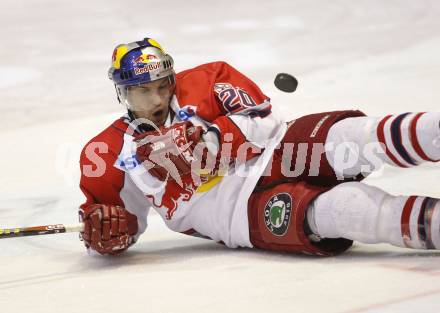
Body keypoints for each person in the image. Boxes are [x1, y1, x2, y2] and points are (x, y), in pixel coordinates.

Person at [78, 37, 440, 256]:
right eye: (143, 91)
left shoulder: (208, 80)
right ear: (122, 92)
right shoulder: (108, 152)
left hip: (281, 149)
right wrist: (107, 233)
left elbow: (266, 118)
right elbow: (117, 223)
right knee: (345, 211)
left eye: (162, 85)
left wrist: (210, 139)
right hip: (238, 214)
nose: (157, 98)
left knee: (356, 135)